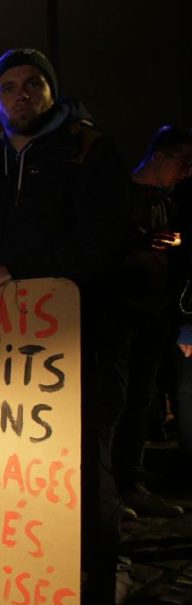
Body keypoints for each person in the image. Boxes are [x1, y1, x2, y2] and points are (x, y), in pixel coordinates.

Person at [0, 48, 130, 605]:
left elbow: (102, 241)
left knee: (83, 467)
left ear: (51, 93)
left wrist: (17, 270)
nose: (21, 94)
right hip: (1, 351)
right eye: (10, 86)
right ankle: (23, 579)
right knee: (12, 470)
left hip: (82, 338)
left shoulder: (91, 151)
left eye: (34, 84)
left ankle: (95, 588)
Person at [115, 125, 192, 517]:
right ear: (160, 156)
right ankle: (109, 485)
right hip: (118, 317)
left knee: (141, 401)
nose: (187, 172)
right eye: (183, 162)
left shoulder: (169, 201)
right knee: (116, 402)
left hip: (154, 315)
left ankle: (131, 482)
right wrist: (138, 242)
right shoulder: (118, 195)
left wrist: (175, 244)